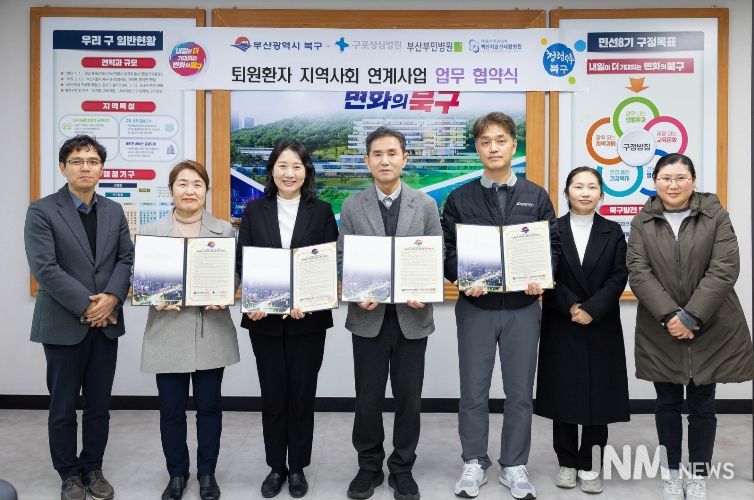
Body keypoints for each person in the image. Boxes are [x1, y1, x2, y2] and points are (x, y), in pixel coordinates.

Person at [442, 112, 560, 500]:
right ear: (477, 149)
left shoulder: (535, 195)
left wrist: (542, 275)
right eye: (485, 142)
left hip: (523, 308)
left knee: (520, 391)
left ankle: (514, 464)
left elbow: (552, 246)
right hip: (475, 308)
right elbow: (447, 250)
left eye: (500, 140)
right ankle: (474, 461)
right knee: (473, 391)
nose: (493, 148)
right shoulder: (459, 198)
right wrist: (461, 277)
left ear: (513, 145)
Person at [627, 153, 754, 500]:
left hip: (709, 325)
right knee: (666, 403)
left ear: (693, 181)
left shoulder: (716, 215)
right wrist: (670, 316)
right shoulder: (642, 221)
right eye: (665, 178)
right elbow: (638, 271)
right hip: (661, 327)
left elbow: (724, 268)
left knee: (702, 404)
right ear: (655, 182)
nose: (673, 185)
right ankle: (671, 473)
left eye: (681, 178)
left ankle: (698, 474)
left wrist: (691, 316)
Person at [23, 135, 134, 500]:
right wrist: (91, 307)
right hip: (63, 324)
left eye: (92, 161)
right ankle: (69, 474)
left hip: (106, 325)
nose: (85, 167)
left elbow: (126, 259)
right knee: (63, 406)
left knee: (99, 405)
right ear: (63, 167)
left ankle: (93, 467)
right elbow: (45, 267)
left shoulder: (114, 211)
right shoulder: (42, 210)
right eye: (76, 161)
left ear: (102, 168)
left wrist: (112, 298)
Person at [337, 126, 442, 500]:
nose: (385, 160)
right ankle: (368, 466)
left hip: (412, 319)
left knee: (409, 399)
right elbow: (342, 257)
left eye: (392, 153)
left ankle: (402, 467)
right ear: (367, 161)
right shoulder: (352, 206)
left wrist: (425, 290)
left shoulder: (425, 204)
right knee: (367, 398)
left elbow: (436, 255)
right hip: (369, 318)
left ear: (404, 159)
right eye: (377, 154)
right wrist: (356, 292)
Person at [237, 140, 338, 499]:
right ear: (272, 171)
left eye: (296, 166)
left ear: (306, 172)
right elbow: (244, 260)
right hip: (264, 320)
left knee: (301, 395)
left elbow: (327, 261)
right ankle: (275, 466)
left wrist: (309, 300)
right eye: (282, 165)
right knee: (273, 396)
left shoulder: (321, 210)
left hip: (307, 321)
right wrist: (254, 299)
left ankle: (297, 467)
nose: (289, 173)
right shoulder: (254, 210)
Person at [138, 160, 240, 500]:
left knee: (209, 408)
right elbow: (141, 280)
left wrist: (225, 293)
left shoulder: (223, 230)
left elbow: (234, 275)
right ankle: (177, 474)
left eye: (197, 184)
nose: (189, 191)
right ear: (171, 190)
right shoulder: (152, 231)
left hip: (210, 329)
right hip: (167, 330)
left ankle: (207, 473)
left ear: (206, 191)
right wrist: (153, 295)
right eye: (182, 184)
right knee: (171, 410)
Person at [534, 167, 630, 495]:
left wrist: (592, 309)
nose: (585, 192)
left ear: (601, 194)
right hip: (563, 321)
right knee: (563, 394)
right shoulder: (552, 229)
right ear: (567, 193)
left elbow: (619, 276)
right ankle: (566, 462)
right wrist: (573, 306)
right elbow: (546, 273)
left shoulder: (612, 231)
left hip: (600, 323)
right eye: (578, 186)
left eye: (592, 187)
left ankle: (590, 463)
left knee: (599, 398)